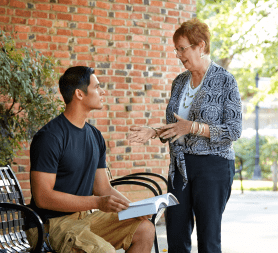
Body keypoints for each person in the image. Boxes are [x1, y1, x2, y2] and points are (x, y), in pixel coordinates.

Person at [128, 18, 242, 253]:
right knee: (176, 235)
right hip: (179, 167)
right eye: (176, 50)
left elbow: (234, 130)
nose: (178, 55)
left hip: (213, 166)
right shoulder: (179, 82)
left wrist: (194, 128)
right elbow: (176, 126)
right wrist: (153, 132)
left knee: (208, 239)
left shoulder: (225, 81)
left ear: (200, 46)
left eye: (183, 49)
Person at [28, 66, 155, 253]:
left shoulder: (95, 136)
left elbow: (102, 188)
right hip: (50, 225)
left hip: (85, 219)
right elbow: (43, 197)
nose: (102, 91)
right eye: (97, 87)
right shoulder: (50, 137)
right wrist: (96, 203)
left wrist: (134, 209)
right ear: (79, 94)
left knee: (144, 229)